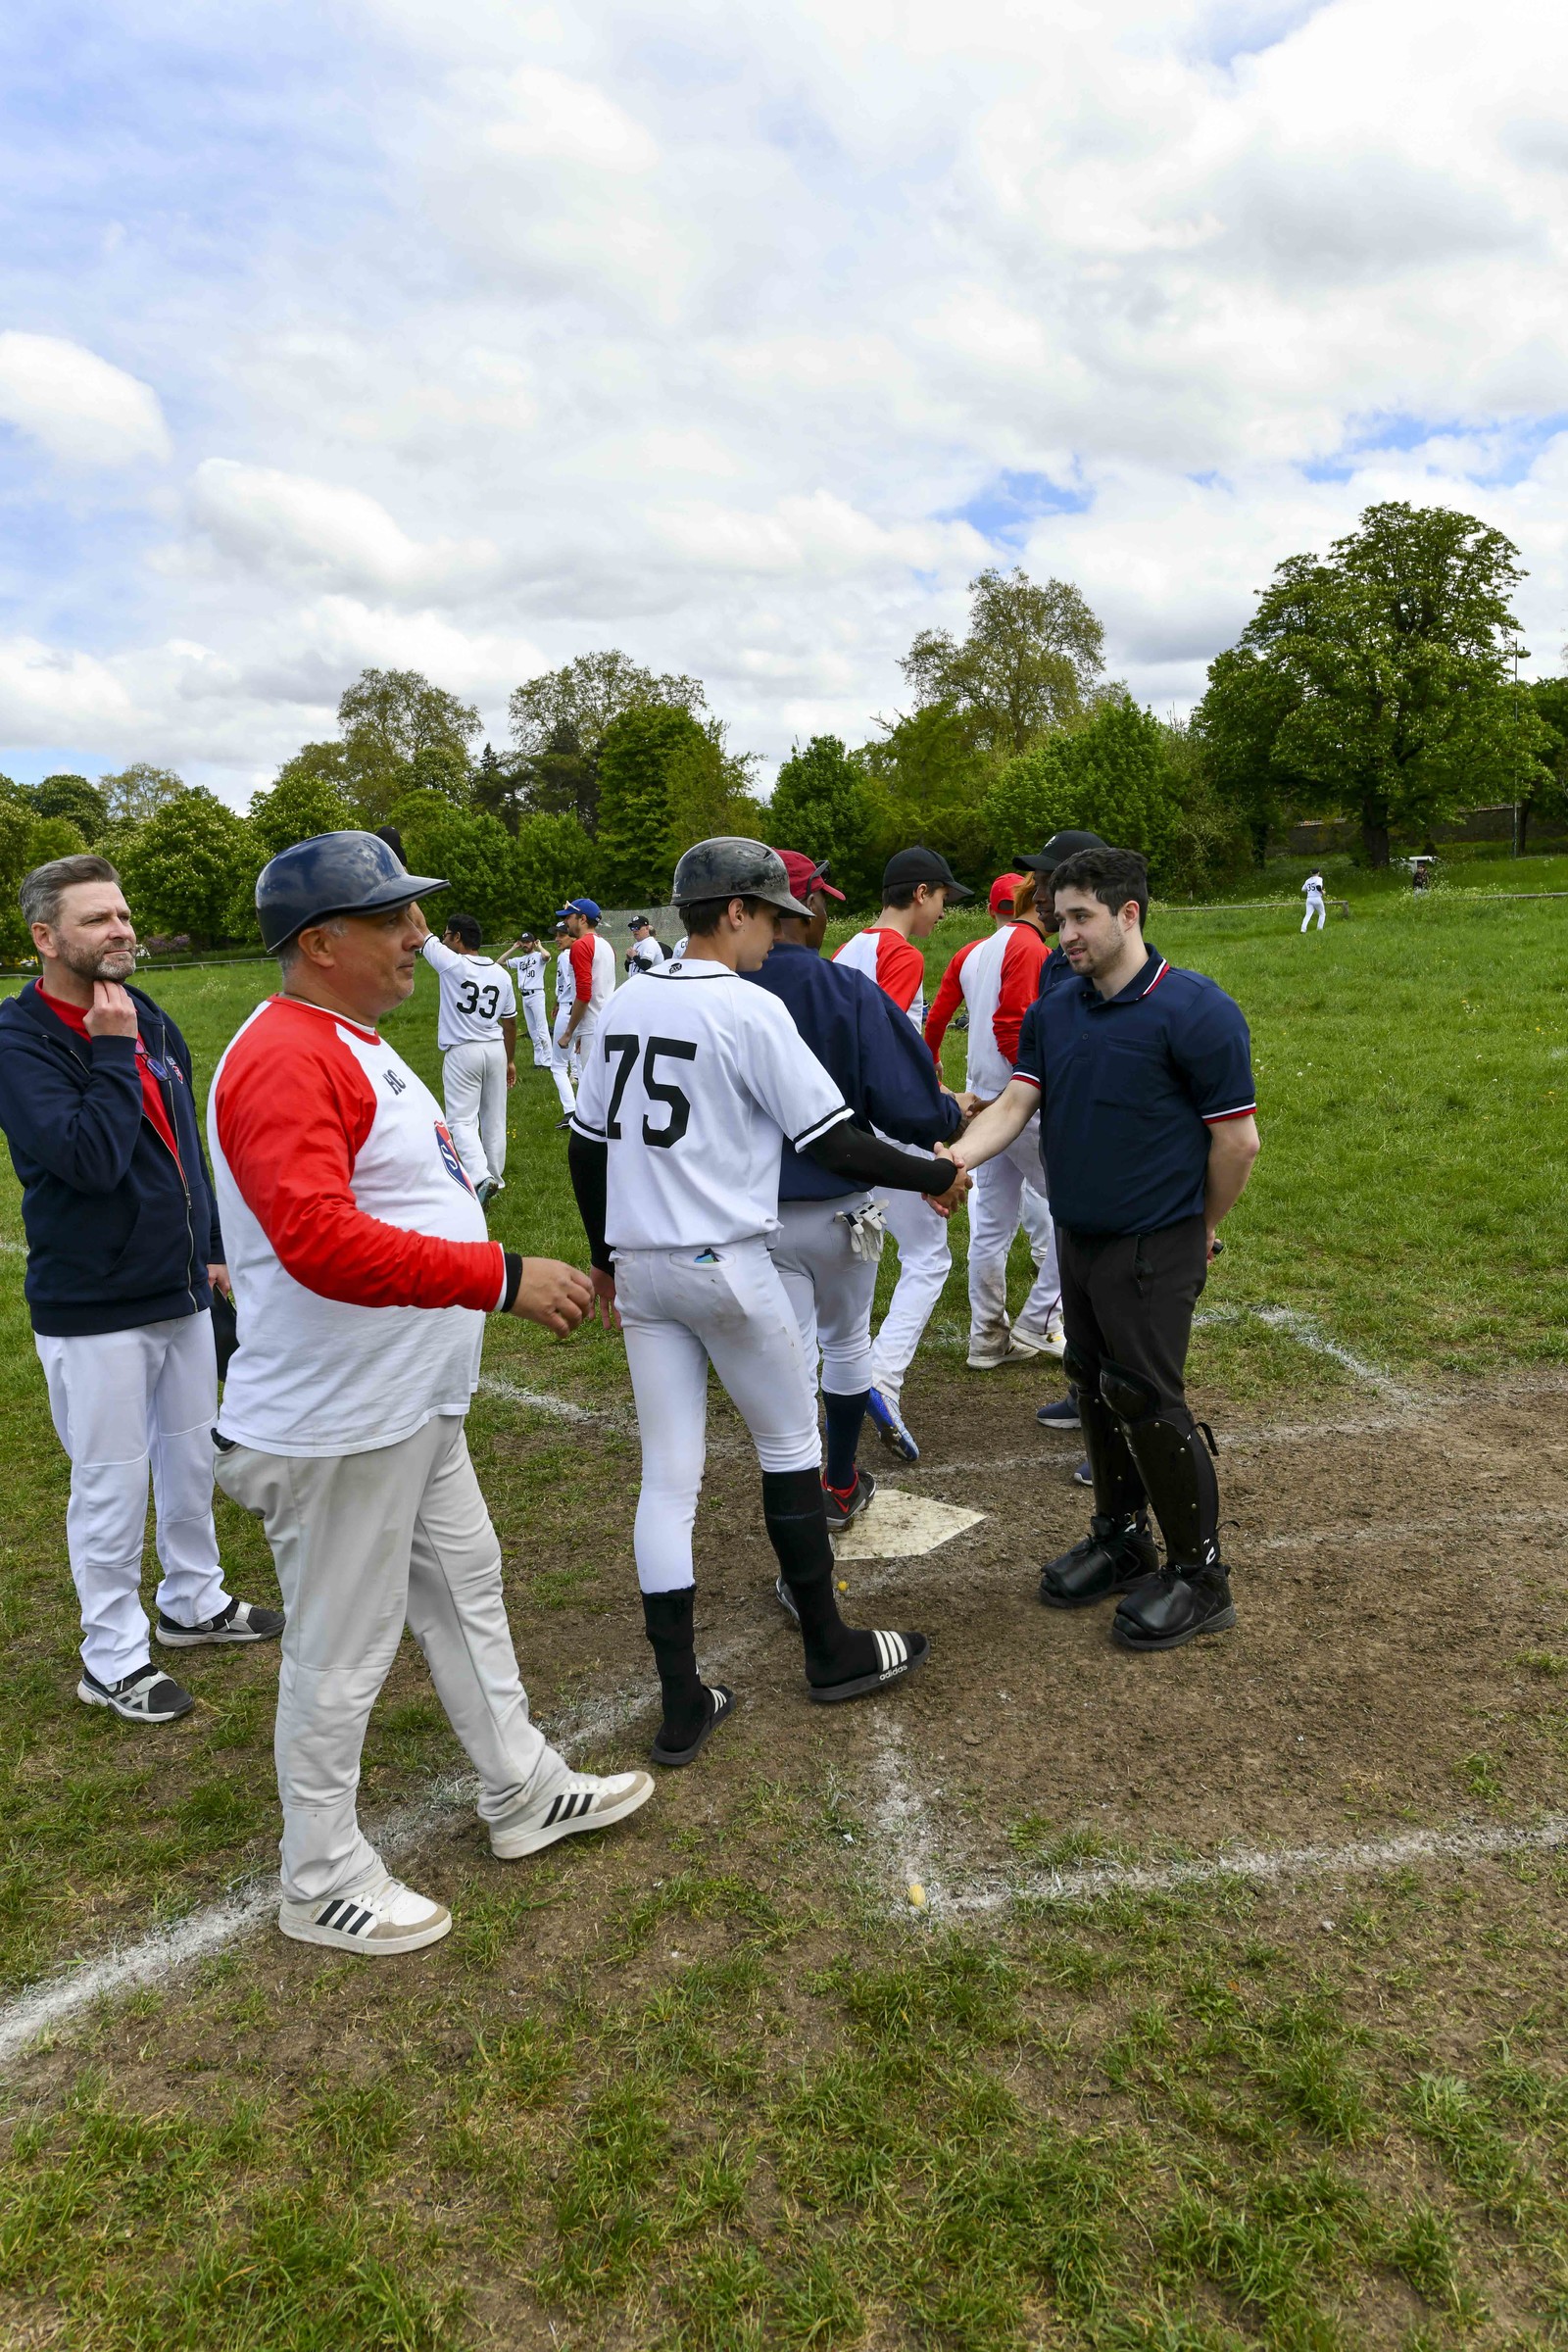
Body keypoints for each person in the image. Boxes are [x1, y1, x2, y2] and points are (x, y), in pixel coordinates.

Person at [209, 831, 653, 1956]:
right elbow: (315, 1239)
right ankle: (318, 1876)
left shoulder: (347, 1037)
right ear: (320, 943)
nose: (419, 936)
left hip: (403, 1402)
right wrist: (497, 1275)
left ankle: (520, 1790)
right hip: (339, 1417)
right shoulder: (284, 1055)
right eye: (391, 919)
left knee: (466, 1586)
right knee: (341, 1646)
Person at [565, 838, 967, 1770]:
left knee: (668, 1474)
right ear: (735, 910)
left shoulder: (631, 995)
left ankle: (680, 1702)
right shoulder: (746, 1005)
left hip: (645, 1263)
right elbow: (834, 1144)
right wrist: (936, 1169)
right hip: (728, 1259)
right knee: (788, 1448)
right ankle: (830, 1649)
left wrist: (604, 1261)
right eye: (771, 911)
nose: (780, 928)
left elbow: (588, 1146)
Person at [948, 846, 1259, 1651]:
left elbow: (1237, 1141)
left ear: (1130, 915)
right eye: (1058, 919)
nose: (1065, 935)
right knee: (1092, 1386)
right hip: (1080, 1235)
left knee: (1148, 1401)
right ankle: (1123, 1540)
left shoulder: (1195, 1010)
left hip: (1156, 1241)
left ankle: (1201, 1576)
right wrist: (950, 1162)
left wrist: (1202, 1226)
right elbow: (1019, 1101)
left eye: (1081, 917)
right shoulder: (1059, 1007)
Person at [0, 855, 282, 1725]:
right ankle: (111, 1655)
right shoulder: (23, 1042)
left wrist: (212, 1247)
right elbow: (86, 1159)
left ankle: (193, 1602)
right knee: (112, 1483)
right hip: (93, 1306)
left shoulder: (148, 1015)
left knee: (192, 1458)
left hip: (181, 1289)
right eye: (97, 920)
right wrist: (112, 1050)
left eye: (122, 915)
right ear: (46, 938)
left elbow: (184, 1145)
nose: (121, 930)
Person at [748, 850, 967, 1534]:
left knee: (790, 1355)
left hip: (747, 1214)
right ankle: (838, 1484)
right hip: (844, 1205)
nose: (825, 914)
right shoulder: (840, 988)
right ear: (799, 907)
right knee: (846, 1345)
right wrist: (952, 1117)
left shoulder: (714, 985)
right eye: (820, 902)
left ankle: (795, 1485)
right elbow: (909, 1103)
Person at [832, 847, 971, 1462]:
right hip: (884, 1123)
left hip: (836, 1122)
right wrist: (943, 1101)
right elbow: (888, 1048)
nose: (944, 910)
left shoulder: (845, 949)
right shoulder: (901, 953)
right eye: (942, 897)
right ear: (920, 893)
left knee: (850, 1252)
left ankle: (841, 1365)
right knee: (929, 1257)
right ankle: (879, 1378)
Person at [928, 870, 1063, 1370]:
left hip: (985, 1100)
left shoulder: (974, 950)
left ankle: (986, 1339)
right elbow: (1012, 1025)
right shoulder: (1030, 948)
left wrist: (932, 1061)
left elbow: (939, 1014)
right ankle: (1041, 1320)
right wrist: (1032, 1083)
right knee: (1079, 1210)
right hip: (1016, 1103)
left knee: (991, 1224)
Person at [419, 911, 516, 1203]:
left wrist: (402, 878)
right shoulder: (501, 974)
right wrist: (510, 1060)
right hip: (495, 1048)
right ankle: (495, 1179)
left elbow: (420, 926)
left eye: (447, 934)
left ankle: (479, 1176)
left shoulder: (451, 963)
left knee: (461, 1120)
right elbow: (510, 1023)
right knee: (495, 1118)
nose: (444, 939)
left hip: (463, 1051)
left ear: (458, 937)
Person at [557, 899, 615, 1075]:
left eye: (569, 917)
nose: (566, 921)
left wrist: (569, 1032)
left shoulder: (581, 945)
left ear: (582, 919)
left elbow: (584, 993)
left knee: (591, 1093)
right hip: (607, 1022)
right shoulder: (606, 944)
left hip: (593, 1025)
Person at [499, 929, 562, 1079]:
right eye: (523, 942)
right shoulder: (520, 960)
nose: (525, 945)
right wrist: (513, 948)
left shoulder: (538, 956)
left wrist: (539, 946)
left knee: (541, 1028)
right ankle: (538, 1060)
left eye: (528, 942)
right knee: (532, 1030)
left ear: (533, 942)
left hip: (537, 994)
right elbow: (499, 962)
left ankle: (548, 1061)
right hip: (525, 996)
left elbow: (547, 956)